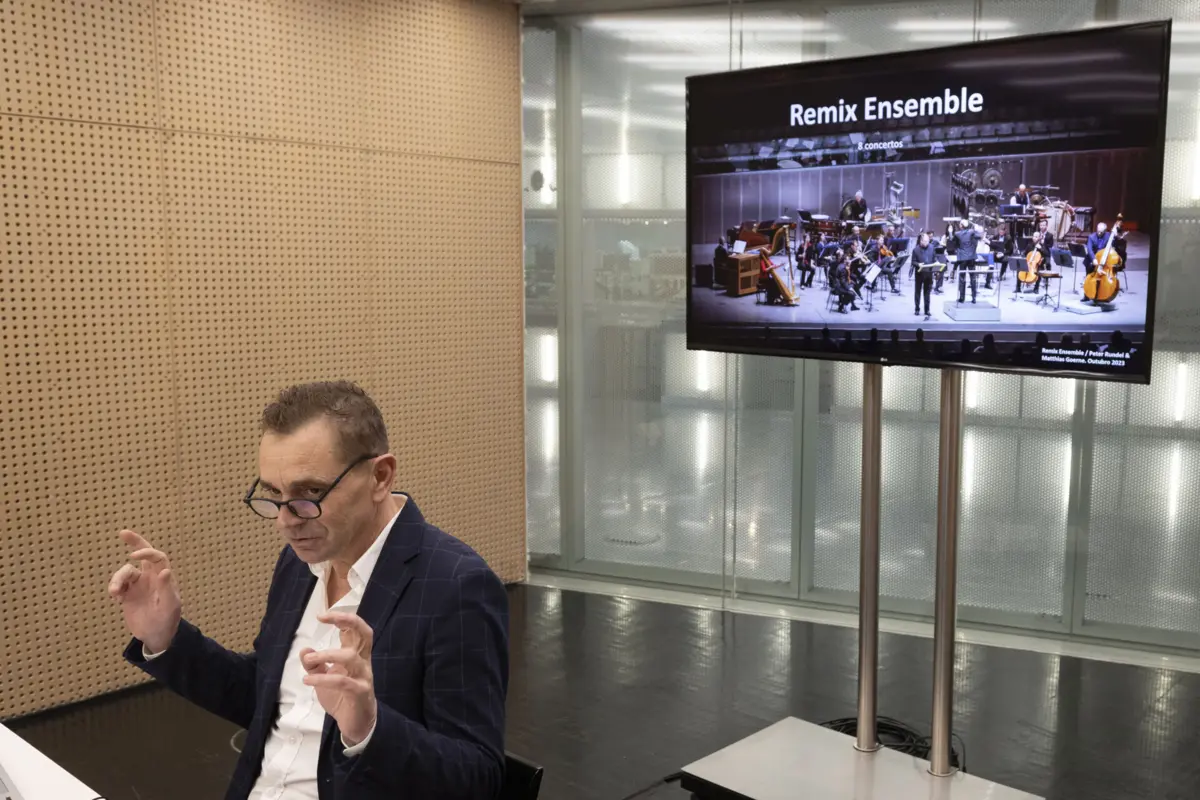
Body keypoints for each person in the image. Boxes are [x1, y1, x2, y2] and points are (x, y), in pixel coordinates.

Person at [108, 381, 509, 800]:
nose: (286, 521)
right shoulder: (302, 562)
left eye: (310, 493)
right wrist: (165, 638)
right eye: (273, 495)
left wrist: (368, 729)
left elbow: (477, 779)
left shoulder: (457, 585)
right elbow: (264, 696)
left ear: (380, 476)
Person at [954, 219, 984, 304]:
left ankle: (962, 298)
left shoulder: (957, 234)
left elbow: (952, 241)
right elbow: (981, 236)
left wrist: (950, 232)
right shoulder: (972, 232)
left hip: (962, 259)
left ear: (961, 225)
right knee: (973, 278)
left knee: (962, 278)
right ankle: (974, 298)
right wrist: (976, 229)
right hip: (971, 258)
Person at [910, 231, 938, 320]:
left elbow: (934, 258)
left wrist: (936, 263)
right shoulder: (915, 249)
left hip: (929, 274)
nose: (926, 243)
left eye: (927, 241)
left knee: (927, 293)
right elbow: (913, 262)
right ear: (921, 241)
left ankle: (927, 310)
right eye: (925, 241)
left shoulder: (932, 247)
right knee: (917, 292)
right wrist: (918, 265)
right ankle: (917, 309)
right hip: (919, 273)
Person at [828, 248, 859, 313]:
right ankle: (841, 307)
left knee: (853, 285)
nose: (850, 260)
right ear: (845, 260)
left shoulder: (843, 265)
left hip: (840, 284)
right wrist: (848, 288)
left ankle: (849, 305)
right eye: (848, 259)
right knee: (852, 294)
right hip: (838, 286)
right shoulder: (842, 268)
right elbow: (842, 281)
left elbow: (845, 278)